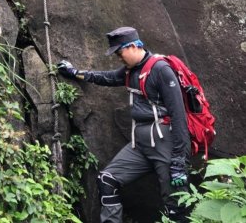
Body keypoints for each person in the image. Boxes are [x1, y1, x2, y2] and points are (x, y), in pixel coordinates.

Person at [57, 26, 190, 223]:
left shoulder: (161, 70)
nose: (118, 57)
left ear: (134, 46)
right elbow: (107, 77)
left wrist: (179, 160)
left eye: (120, 52)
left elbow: (179, 116)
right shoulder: (131, 71)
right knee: (107, 180)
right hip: (141, 145)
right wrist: (75, 72)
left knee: (176, 204)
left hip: (166, 144)